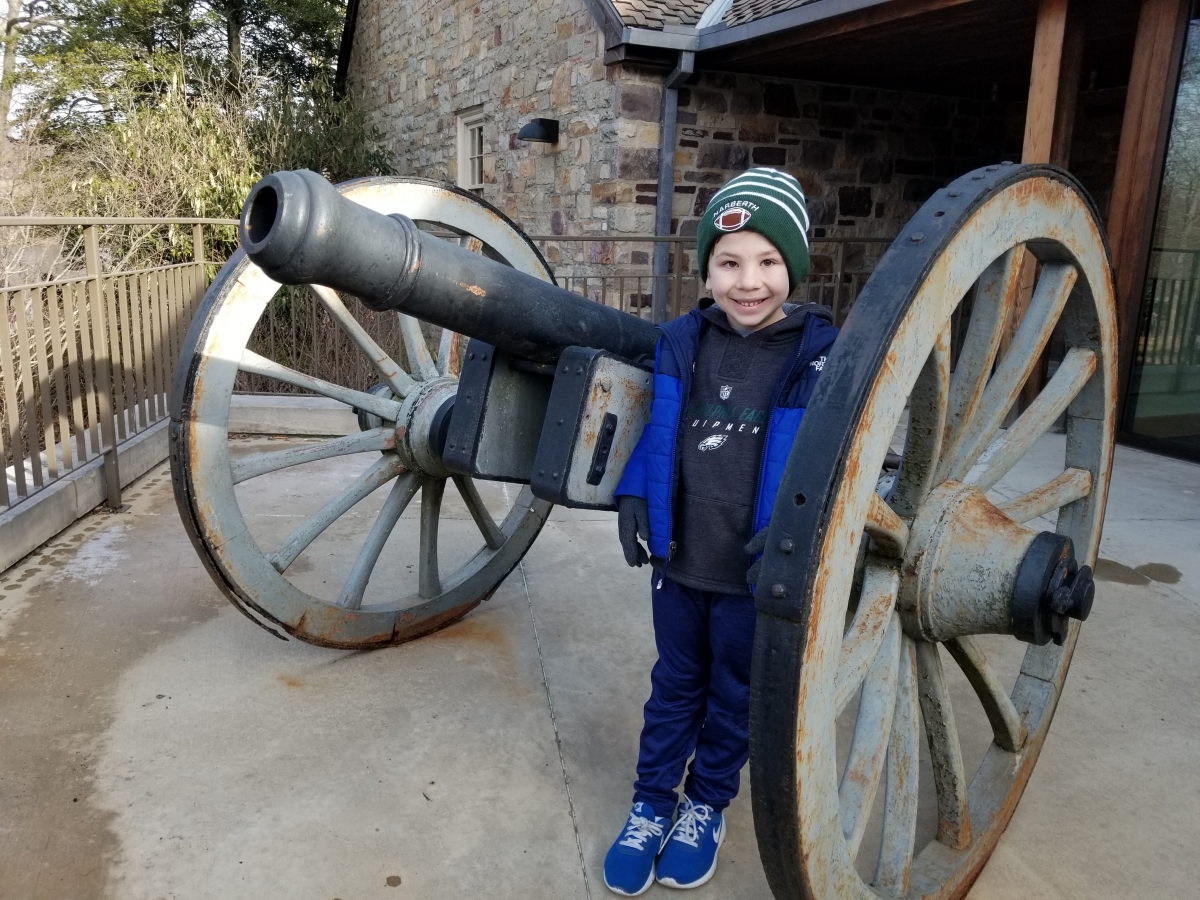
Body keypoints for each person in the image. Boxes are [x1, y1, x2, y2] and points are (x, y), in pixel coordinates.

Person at [602, 168, 838, 895]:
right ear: (706, 269)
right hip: (681, 561)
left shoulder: (820, 356)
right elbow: (657, 423)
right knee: (674, 685)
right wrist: (636, 492)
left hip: (753, 572)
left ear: (793, 269)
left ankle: (705, 805)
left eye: (769, 263)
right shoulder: (682, 341)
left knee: (732, 693)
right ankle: (651, 804)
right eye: (729, 263)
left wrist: (803, 530)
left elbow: (842, 459)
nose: (748, 282)